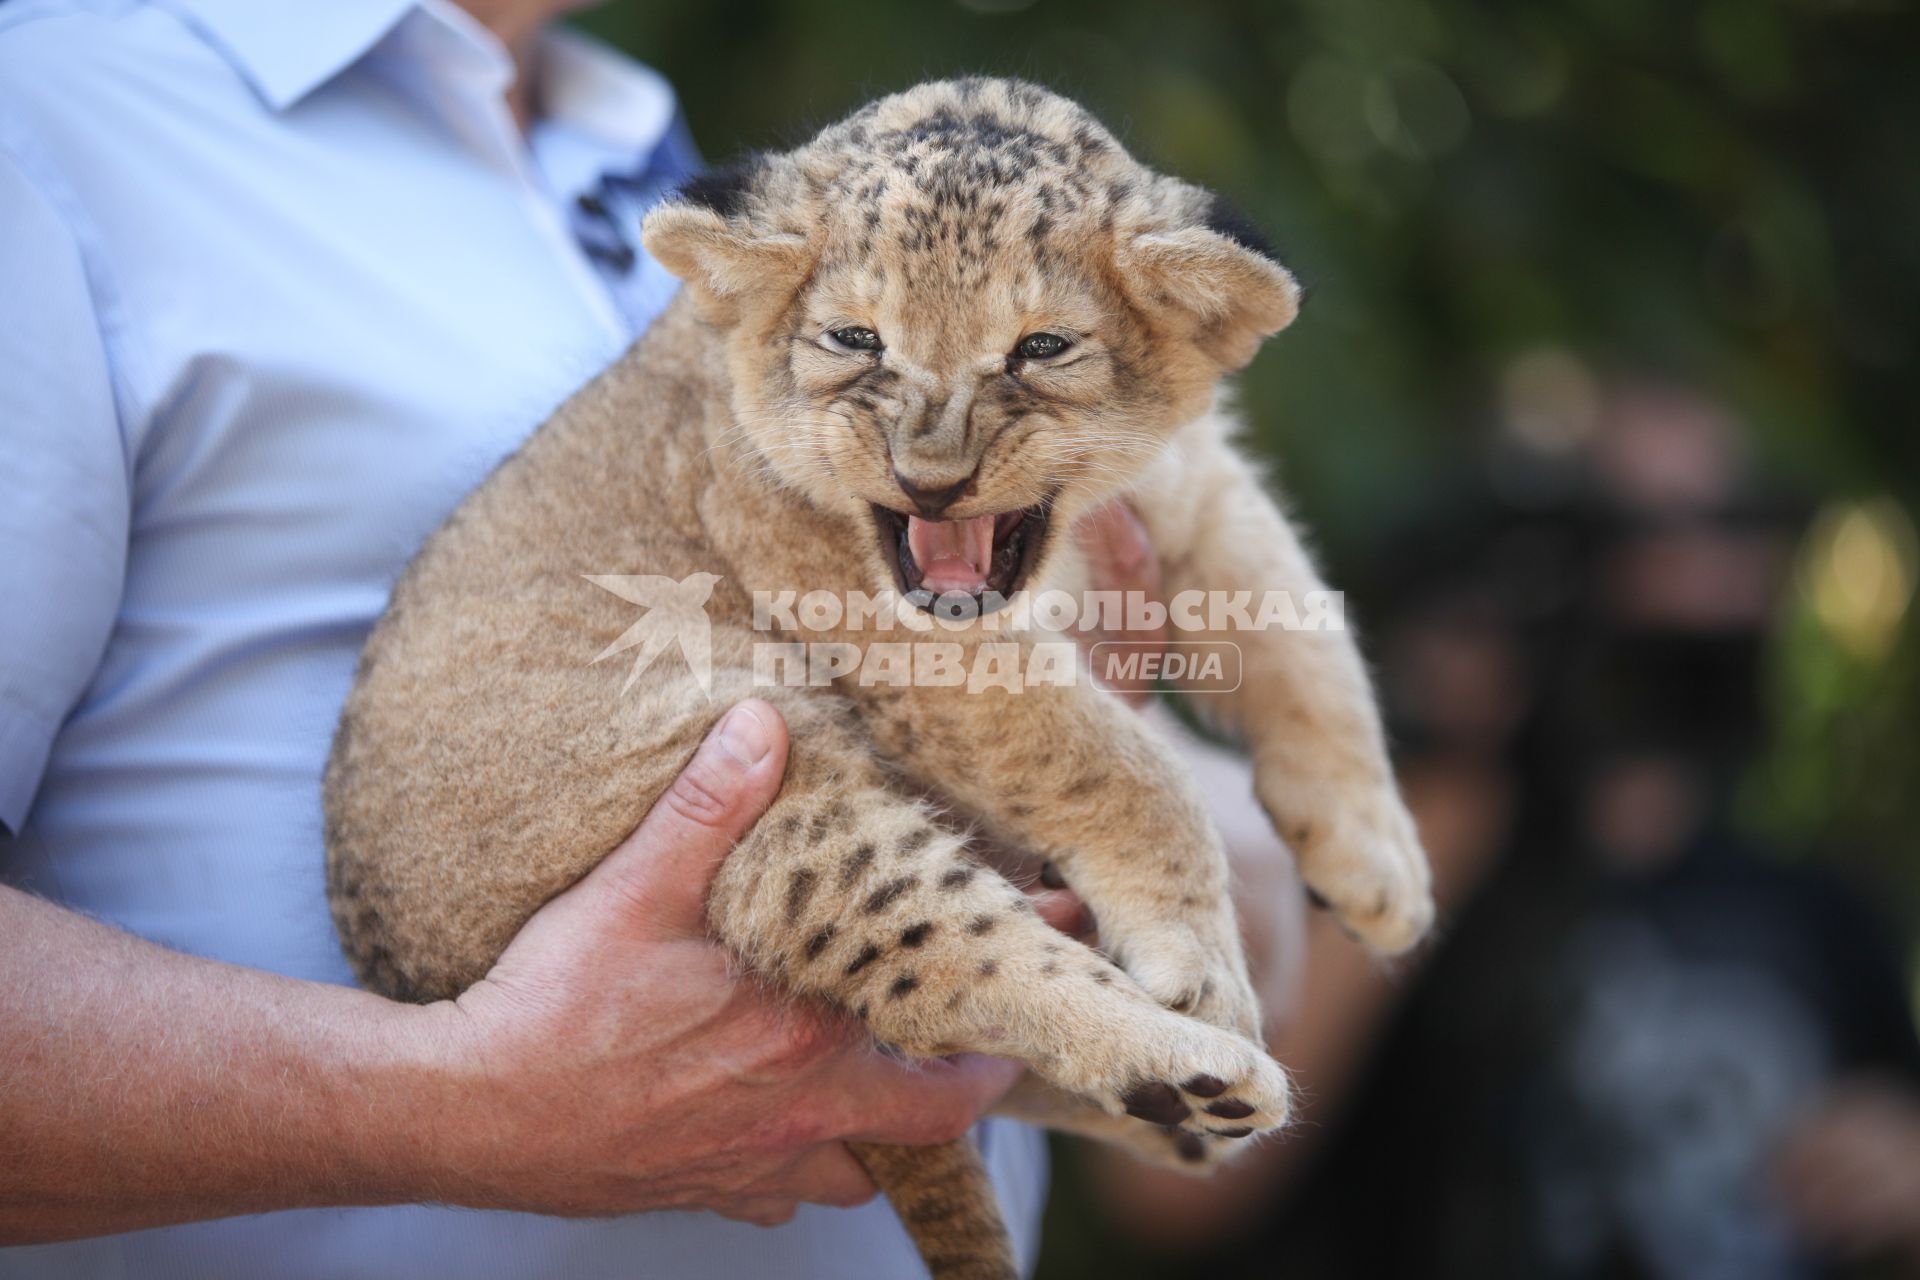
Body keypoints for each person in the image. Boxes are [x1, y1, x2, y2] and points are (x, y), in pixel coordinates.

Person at [0, 2, 1304, 1276]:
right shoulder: (54, 125)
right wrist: (443, 1108)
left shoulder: (677, 153)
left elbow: (1212, 870)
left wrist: (1136, 826)